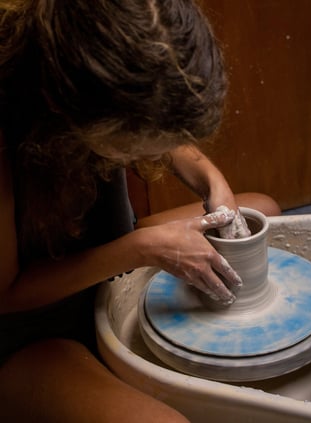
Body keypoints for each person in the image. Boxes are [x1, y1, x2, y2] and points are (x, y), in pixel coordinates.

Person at [0, 0, 280, 422]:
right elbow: (7, 295)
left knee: (261, 210)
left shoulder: (106, 57)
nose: (153, 152)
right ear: (79, 108)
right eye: (138, 144)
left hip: (113, 249)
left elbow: (160, 128)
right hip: (35, 324)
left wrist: (212, 183)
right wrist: (140, 249)